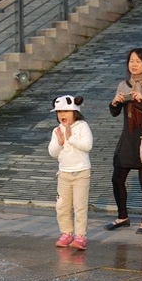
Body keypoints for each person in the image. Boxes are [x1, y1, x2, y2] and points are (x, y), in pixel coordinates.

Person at [104, 47, 142, 235]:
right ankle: (122, 217)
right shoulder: (124, 85)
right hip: (128, 140)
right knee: (117, 179)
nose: (134, 64)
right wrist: (115, 102)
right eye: (131, 61)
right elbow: (115, 113)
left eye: (138, 61)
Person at [48, 95, 93, 250]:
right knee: (62, 206)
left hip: (81, 173)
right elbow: (52, 152)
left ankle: (80, 236)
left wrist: (70, 137)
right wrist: (60, 142)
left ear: (75, 111)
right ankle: (66, 233)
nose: (62, 115)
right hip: (64, 174)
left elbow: (87, 146)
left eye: (66, 111)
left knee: (80, 206)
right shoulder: (56, 130)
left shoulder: (82, 126)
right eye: (59, 111)